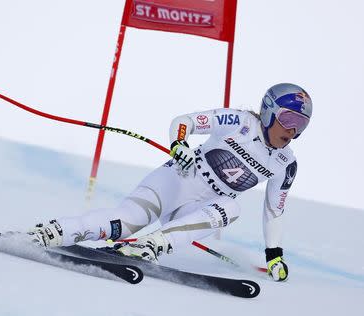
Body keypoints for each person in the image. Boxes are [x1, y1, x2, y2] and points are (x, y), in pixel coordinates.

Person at [29, 83, 313, 282]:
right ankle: (50, 233)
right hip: (177, 181)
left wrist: (274, 255)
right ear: (268, 111)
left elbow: (274, 210)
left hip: (196, 210)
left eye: (300, 125)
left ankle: (150, 246)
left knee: (231, 207)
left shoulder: (285, 164)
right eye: (288, 119)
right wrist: (180, 144)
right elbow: (185, 120)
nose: (291, 130)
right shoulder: (239, 122)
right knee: (124, 223)